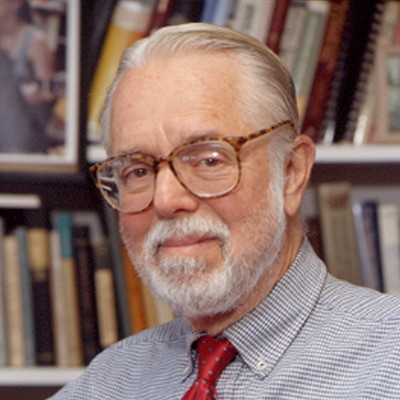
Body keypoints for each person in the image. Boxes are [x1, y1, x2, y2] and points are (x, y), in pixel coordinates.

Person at [52, 23, 400, 399]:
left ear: (291, 173)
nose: (166, 199)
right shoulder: (104, 384)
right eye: (137, 170)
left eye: (208, 160)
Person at [0, 0, 55, 153]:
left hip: (22, 135)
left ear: (16, 3)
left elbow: (48, 93)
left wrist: (37, 95)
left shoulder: (35, 41)